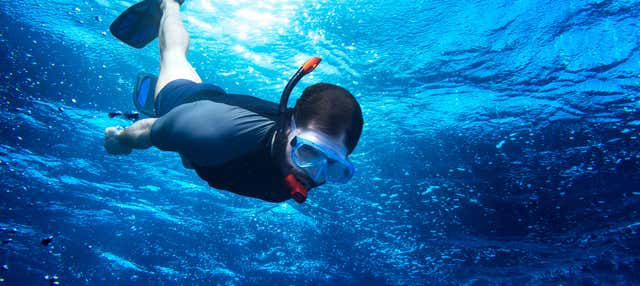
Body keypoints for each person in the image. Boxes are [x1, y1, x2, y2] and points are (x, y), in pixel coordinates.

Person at [104, 0, 364, 203]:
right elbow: (149, 130)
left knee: (190, 154)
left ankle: (186, 150)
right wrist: (121, 139)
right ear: (288, 130)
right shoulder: (206, 128)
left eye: (333, 166)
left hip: (212, 145)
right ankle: (169, 5)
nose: (313, 175)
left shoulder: (298, 167)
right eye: (308, 152)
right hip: (187, 104)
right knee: (173, 54)